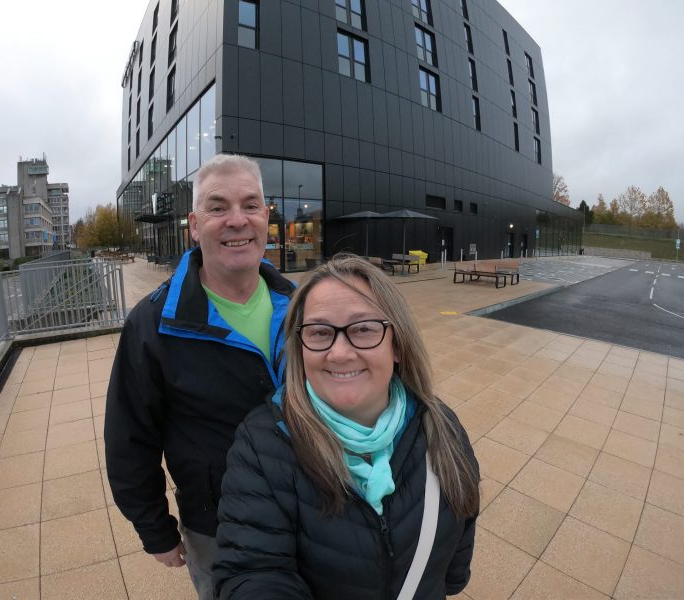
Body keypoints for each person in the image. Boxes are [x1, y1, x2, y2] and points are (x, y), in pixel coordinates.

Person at [213, 254, 480, 599]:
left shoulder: (442, 428)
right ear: (300, 347)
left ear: (397, 345)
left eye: (364, 329)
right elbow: (250, 573)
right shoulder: (262, 446)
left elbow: (454, 562)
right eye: (320, 332)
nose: (339, 353)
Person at [105, 154, 296, 599]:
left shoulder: (303, 305)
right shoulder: (153, 324)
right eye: (217, 207)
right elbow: (129, 437)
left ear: (267, 217)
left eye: (251, 205)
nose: (237, 220)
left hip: (314, 504)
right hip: (219, 526)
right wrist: (156, 529)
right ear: (194, 224)